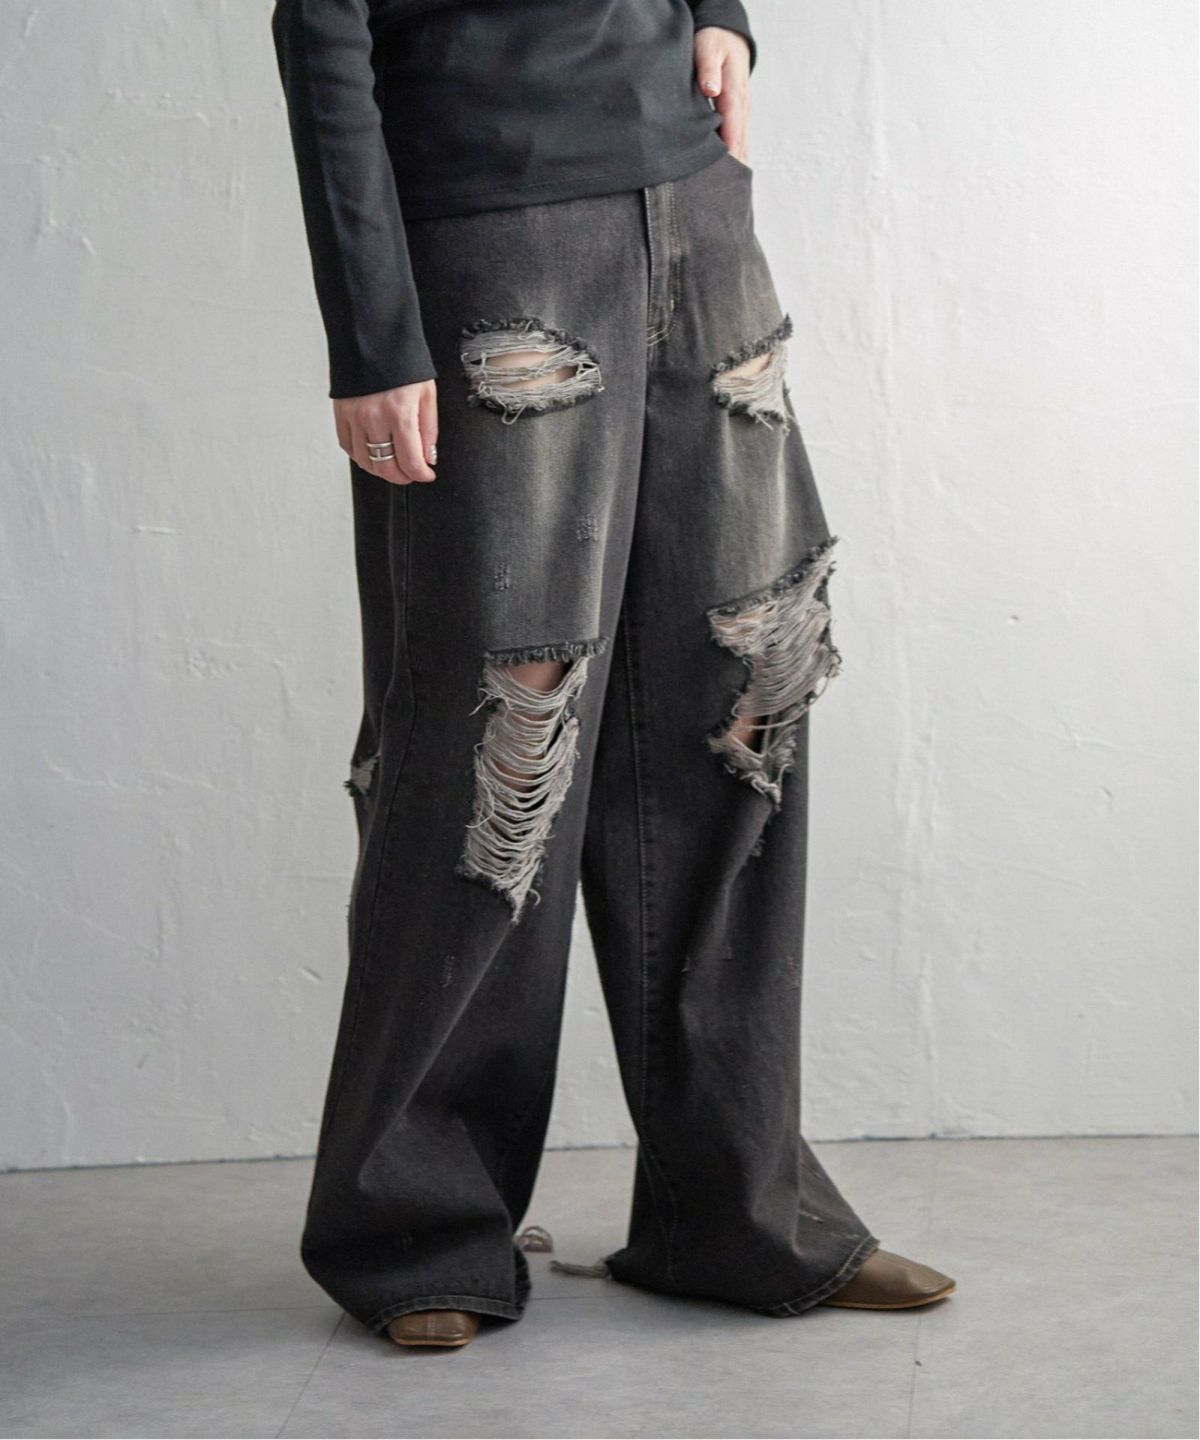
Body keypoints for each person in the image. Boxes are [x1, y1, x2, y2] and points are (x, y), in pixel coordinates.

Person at [270, 0, 955, 1351]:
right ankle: (419, 1230)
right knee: (499, 736)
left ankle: (738, 1214)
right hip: (494, 231)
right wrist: (371, 329)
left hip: (697, 213)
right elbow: (321, 29)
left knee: (739, 703)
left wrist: (719, 13)